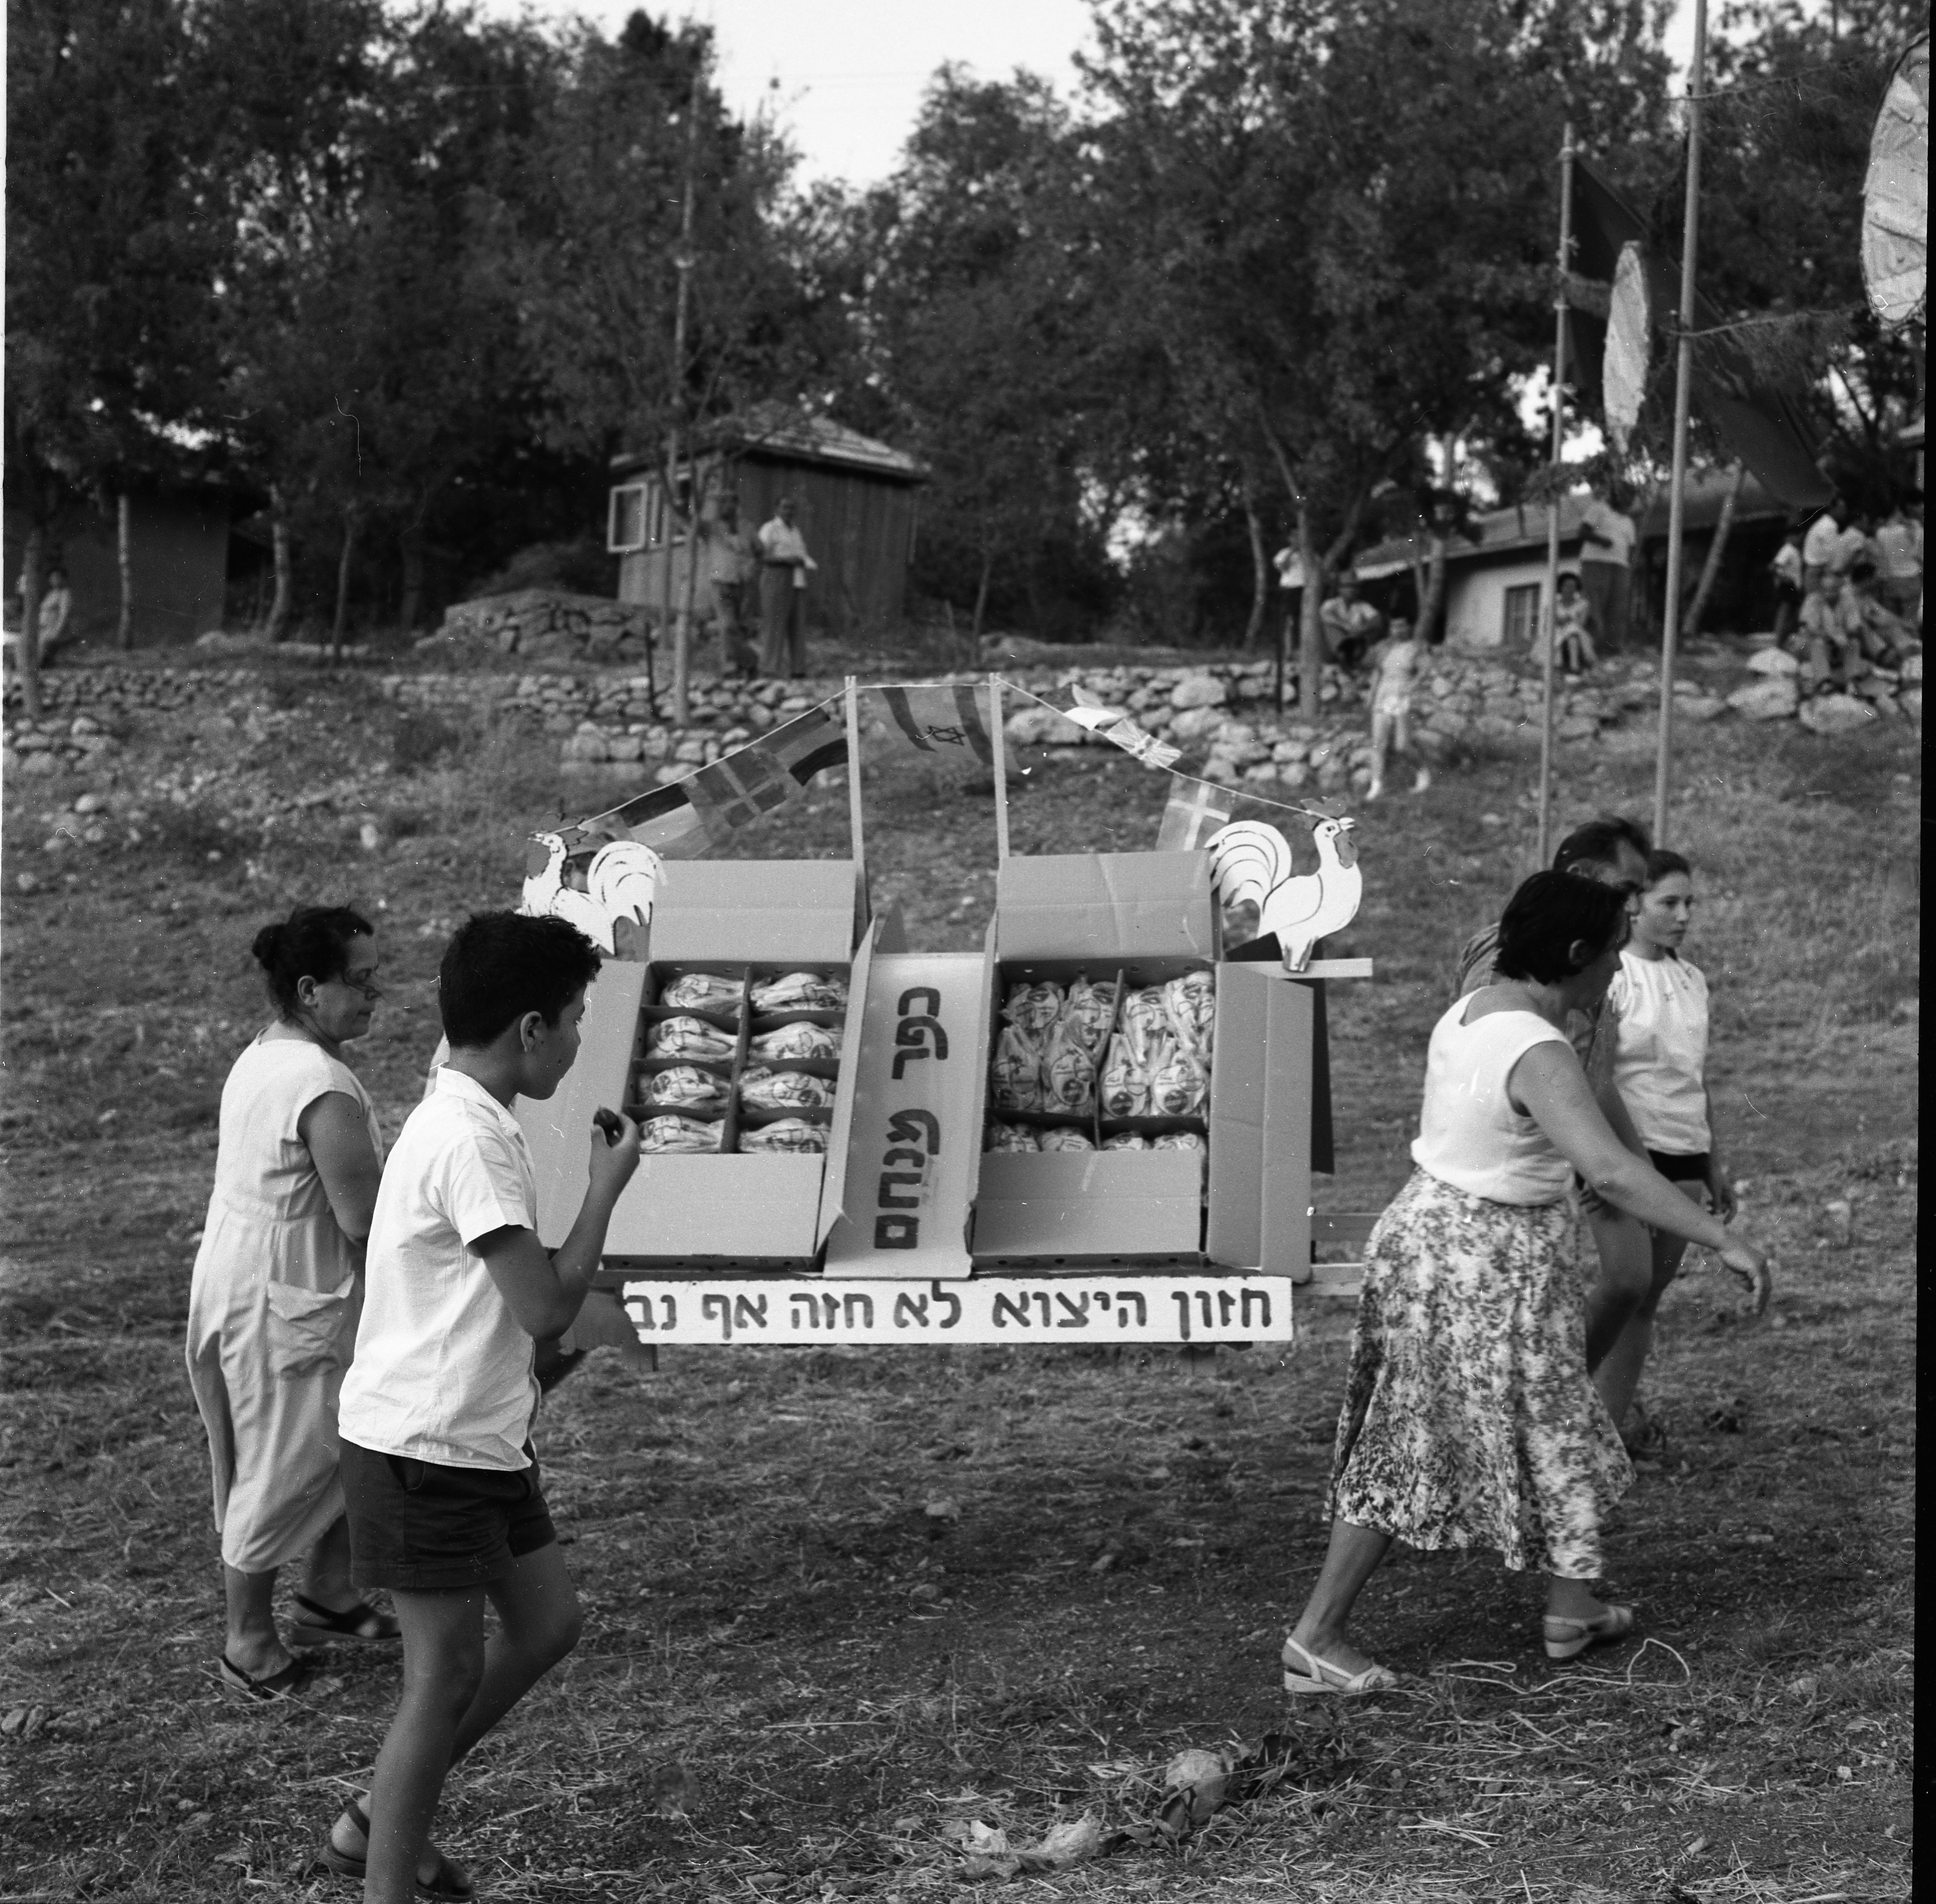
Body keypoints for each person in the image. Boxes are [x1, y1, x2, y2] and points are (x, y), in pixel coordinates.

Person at [1281, 873, 1771, 1694]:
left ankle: (1570, 1606)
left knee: (1554, 1423)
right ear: (1577, 956)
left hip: (1441, 1239)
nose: (1617, 976)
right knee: (1413, 1442)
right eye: (1612, 958)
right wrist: (1720, 1235)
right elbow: (1609, 1172)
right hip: (1476, 1260)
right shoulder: (1537, 1050)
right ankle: (1316, 1635)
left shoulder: (1476, 1010)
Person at [322, 913, 640, 1904]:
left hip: (479, 1436)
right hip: (425, 1447)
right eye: (579, 1019)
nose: (583, 1041)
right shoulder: (469, 1136)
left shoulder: (464, 1112)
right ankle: (384, 1879)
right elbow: (546, 1309)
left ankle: (383, 1818)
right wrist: (604, 1193)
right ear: (534, 1028)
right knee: (442, 1679)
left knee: (546, 1624)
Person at [184, 906, 392, 1701]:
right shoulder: (320, 1083)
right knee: (280, 1463)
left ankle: (328, 1597)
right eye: (362, 978)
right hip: (284, 1297)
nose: (378, 992)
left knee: (343, 1441)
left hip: (248, 1276)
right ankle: (249, 1644)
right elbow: (364, 1219)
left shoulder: (270, 1053)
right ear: (311, 989)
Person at [1455, 819, 1664, 1446]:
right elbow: (1497, 1065)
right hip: (1521, 1163)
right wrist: (1592, 1161)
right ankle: (1539, 1421)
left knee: (1631, 1274)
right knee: (1518, 1312)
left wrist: (1638, 1159)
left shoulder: (1594, 955)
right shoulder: (1510, 956)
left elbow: (1595, 1076)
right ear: (1581, 878)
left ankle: (1576, 1419)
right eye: (1626, 888)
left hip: (1580, 1145)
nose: (1633, 906)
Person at [1599, 850, 1737, 1440]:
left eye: (1690, 903)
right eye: (1669, 903)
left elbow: (1694, 1075)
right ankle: (1583, 1427)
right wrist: (1632, 1157)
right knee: (1620, 1291)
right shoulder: (1615, 976)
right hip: (1634, 1155)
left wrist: (1713, 1162)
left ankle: (1611, 1428)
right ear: (1635, 906)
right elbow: (1602, 1074)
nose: (1683, 915)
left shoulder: (1692, 977)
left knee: (1647, 1300)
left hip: (1685, 1150)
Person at [1364, 616, 1430, 800]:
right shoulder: (1384, 648)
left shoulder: (1416, 648)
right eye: (1394, 626)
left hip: (1403, 696)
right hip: (1383, 697)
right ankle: (1376, 787)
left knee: (1402, 746)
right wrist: (1371, 697)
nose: (1398, 630)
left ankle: (1423, 773)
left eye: (1402, 626)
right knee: (1378, 744)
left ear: (1409, 627)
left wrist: (1411, 688)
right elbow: (1377, 673)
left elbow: (1424, 671)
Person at [756, 495, 815, 678]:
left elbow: (802, 555)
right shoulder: (770, 529)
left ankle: (798, 670)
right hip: (777, 578)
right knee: (775, 624)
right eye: (785, 508)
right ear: (777, 509)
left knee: (797, 626)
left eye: (792, 508)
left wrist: (808, 563)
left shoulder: (796, 531)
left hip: (797, 580)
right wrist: (786, 560)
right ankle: (769, 668)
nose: (789, 512)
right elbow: (762, 556)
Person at [704, 493, 759, 678]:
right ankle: (742, 663)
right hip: (721, 581)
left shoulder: (747, 527)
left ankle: (739, 667)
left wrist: (751, 567)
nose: (727, 507)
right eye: (723, 503)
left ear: (736, 505)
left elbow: (760, 550)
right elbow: (689, 523)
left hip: (744, 583)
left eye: (731, 502)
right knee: (727, 626)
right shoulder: (712, 527)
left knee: (742, 627)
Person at [1578, 489, 1635, 651]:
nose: (1628, 501)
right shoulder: (1599, 509)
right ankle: (1589, 647)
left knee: (1617, 607)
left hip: (1620, 566)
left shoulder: (1628, 522)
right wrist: (1601, 540)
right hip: (1595, 562)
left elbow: (1631, 547)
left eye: (1630, 498)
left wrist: (1629, 566)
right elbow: (1582, 532)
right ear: (1615, 496)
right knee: (1594, 605)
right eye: (1625, 496)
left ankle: (1612, 647)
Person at [1795, 571, 1864, 694]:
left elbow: (1854, 626)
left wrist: (1846, 635)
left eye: (1835, 589)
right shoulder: (1813, 600)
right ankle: (1824, 682)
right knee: (1818, 643)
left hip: (1837, 643)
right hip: (1811, 644)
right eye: (1828, 589)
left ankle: (1852, 683)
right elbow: (1811, 629)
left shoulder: (1846, 599)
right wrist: (1833, 637)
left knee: (1854, 643)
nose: (1832, 593)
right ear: (1822, 589)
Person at [1318, 572, 1384, 671]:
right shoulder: (1332, 603)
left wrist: (1361, 630)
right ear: (1340, 589)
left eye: (1355, 587)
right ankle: (1343, 655)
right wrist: (1345, 626)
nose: (1352, 590)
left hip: (1355, 643)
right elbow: (1326, 615)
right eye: (1348, 586)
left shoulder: (1362, 605)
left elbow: (1377, 619)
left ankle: (1349, 658)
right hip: (1333, 647)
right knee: (1330, 626)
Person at [1872, 502, 1922, 623]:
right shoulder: (1909, 530)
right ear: (1897, 511)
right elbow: (1918, 547)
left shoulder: (1880, 533)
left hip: (1891, 579)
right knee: (1910, 620)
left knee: (1893, 620)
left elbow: (1881, 558)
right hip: (1911, 577)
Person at [1549, 570, 1597, 675]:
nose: (1570, 589)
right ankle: (1558, 666)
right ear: (1560, 587)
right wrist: (1560, 621)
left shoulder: (1583, 604)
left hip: (1577, 633)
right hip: (1557, 633)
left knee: (1573, 632)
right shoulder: (1553, 606)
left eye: (1573, 586)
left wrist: (1568, 620)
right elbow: (1548, 625)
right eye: (1566, 586)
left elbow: (1581, 623)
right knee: (1559, 634)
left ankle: (1574, 667)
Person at [1769, 529, 1804, 643]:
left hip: (1794, 587)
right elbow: (1774, 567)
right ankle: (1777, 641)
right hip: (1788, 586)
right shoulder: (1787, 549)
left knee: (1791, 615)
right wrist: (1784, 578)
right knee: (1784, 614)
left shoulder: (1795, 551)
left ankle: (1781, 641)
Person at [1800, 501, 1841, 595]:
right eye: (1842, 508)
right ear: (1833, 509)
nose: (1844, 512)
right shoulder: (1829, 525)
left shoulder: (1823, 523)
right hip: (1819, 572)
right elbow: (1831, 553)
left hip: (1815, 570)